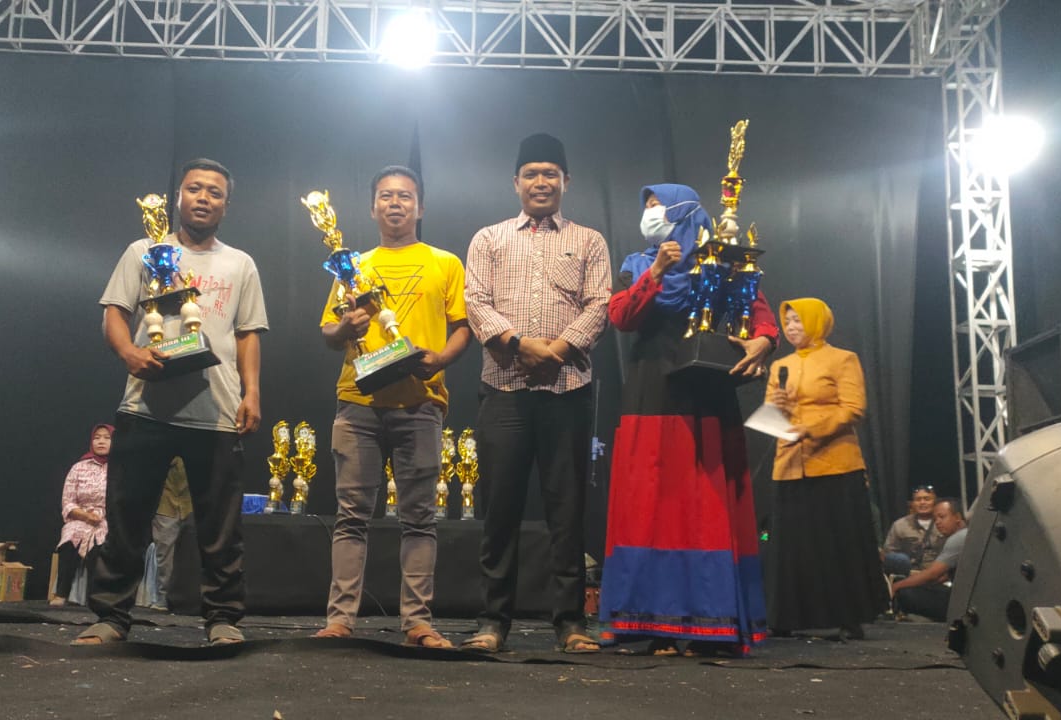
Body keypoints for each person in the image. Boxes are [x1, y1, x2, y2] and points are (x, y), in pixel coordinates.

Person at [75, 158, 269, 646]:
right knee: (127, 518)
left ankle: (222, 618)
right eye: (195, 189)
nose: (204, 198)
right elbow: (114, 312)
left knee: (220, 527)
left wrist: (251, 392)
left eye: (215, 192)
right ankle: (111, 617)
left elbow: (247, 333)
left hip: (217, 411)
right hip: (146, 407)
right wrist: (129, 353)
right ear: (178, 197)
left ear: (226, 204)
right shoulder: (143, 250)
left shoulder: (240, 263)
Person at [599, 184, 777, 657]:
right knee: (651, 501)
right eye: (646, 207)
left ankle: (707, 623)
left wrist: (764, 341)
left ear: (683, 212)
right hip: (650, 395)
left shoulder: (720, 260)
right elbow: (621, 317)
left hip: (705, 395)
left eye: (656, 206)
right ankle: (650, 621)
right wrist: (657, 271)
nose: (650, 214)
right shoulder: (637, 263)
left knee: (703, 503)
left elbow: (760, 313)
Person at [461, 133, 612, 654]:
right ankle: (492, 622)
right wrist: (519, 344)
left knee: (566, 512)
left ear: (566, 181)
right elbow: (475, 302)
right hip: (504, 390)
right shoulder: (489, 238)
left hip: (568, 391)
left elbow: (599, 305)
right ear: (516, 182)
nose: (541, 182)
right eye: (531, 173)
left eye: (550, 173)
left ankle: (570, 623)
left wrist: (559, 350)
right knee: (499, 509)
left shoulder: (589, 241)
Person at [312, 165, 470, 649]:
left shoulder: (445, 262)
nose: (395, 203)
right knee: (351, 516)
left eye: (404, 196)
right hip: (357, 402)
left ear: (420, 207)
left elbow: (463, 327)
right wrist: (346, 329)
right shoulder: (351, 264)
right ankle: (340, 620)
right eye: (385, 196)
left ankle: (417, 622)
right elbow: (328, 332)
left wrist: (440, 359)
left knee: (419, 517)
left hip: (420, 402)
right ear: (373, 207)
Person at [764, 297, 888, 640]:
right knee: (792, 545)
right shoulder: (780, 366)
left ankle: (849, 616)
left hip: (835, 464)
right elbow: (771, 418)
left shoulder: (842, 359)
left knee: (837, 543)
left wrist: (811, 428)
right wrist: (777, 409)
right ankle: (785, 617)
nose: (791, 328)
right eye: (788, 322)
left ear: (817, 322)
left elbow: (854, 408)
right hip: (789, 465)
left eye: (798, 321)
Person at [53, 424, 113, 606]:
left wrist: (102, 517)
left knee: (100, 542)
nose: (101, 441)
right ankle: (61, 594)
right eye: (97, 437)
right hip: (80, 518)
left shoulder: (120, 469)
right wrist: (86, 516)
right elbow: (68, 502)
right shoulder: (78, 468)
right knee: (70, 538)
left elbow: (123, 500)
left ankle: (96, 597)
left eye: (107, 438)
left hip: (107, 519)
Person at [891, 498, 967, 621]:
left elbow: (932, 574)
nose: (937, 522)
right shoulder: (967, 534)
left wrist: (896, 586)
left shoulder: (958, 538)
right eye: (935, 519)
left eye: (942, 517)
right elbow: (942, 577)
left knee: (905, 593)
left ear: (957, 517)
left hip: (962, 603)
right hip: (966, 598)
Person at [147, 457, 193, 611]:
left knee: (194, 553)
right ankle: (163, 597)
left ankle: (193, 597)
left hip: (192, 504)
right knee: (165, 553)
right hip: (165, 504)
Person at [882, 485, 945, 577]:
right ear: (912, 503)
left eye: (927, 499)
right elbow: (889, 553)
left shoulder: (945, 523)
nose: (922, 502)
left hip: (940, 574)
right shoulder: (900, 525)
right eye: (918, 499)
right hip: (909, 575)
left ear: (935, 502)